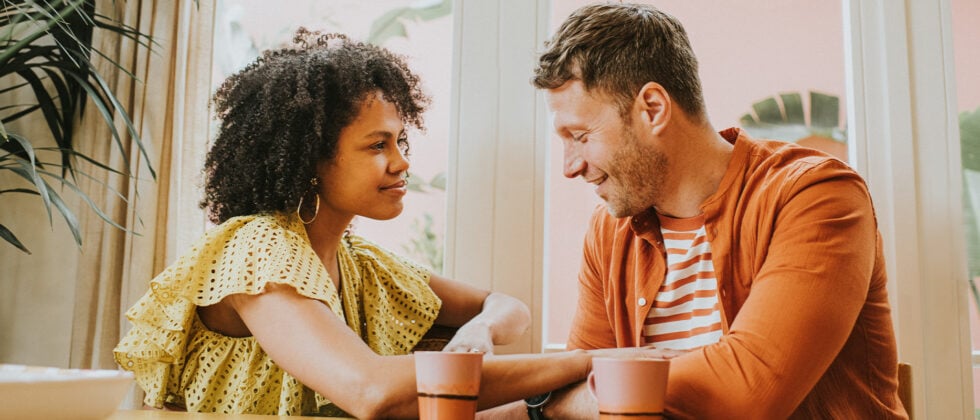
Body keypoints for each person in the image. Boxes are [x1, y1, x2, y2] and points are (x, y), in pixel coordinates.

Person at [113, 29, 653, 419]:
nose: (401, 162)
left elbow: (508, 307)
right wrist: (591, 361)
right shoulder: (258, 248)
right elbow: (371, 391)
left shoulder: (360, 264)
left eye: (401, 140)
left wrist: (479, 329)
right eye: (377, 145)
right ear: (311, 158)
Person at [496, 2, 907, 419]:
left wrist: (551, 405)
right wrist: (567, 400)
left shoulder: (815, 195)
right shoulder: (610, 230)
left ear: (653, 108)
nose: (570, 166)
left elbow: (746, 392)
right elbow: (577, 382)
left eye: (580, 135)